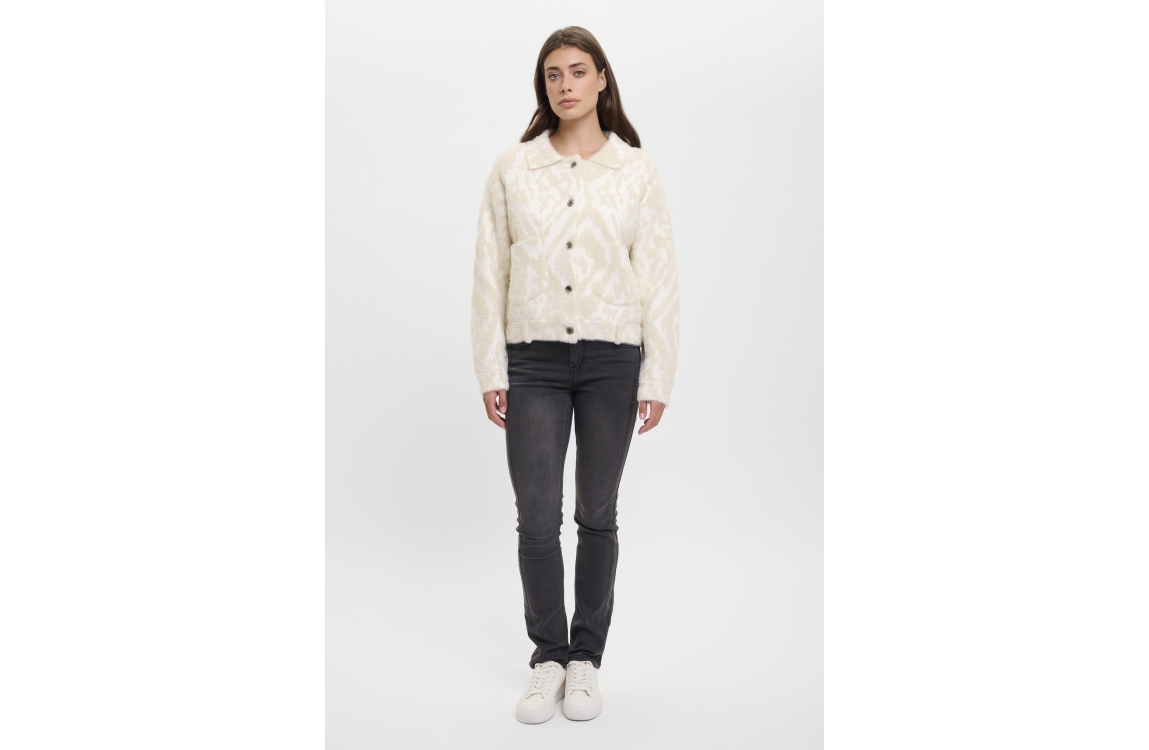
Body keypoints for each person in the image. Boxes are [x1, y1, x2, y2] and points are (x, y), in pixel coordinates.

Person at [469, 25, 681, 725]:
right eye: (553, 74)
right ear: (544, 85)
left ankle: (586, 657)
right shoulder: (513, 169)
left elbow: (658, 276)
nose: (565, 85)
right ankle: (548, 658)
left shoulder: (635, 171)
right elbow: (489, 272)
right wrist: (491, 365)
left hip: (612, 361)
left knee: (597, 512)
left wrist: (656, 377)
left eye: (577, 71)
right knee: (536, 517)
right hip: (532, 359)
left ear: (601, 79)